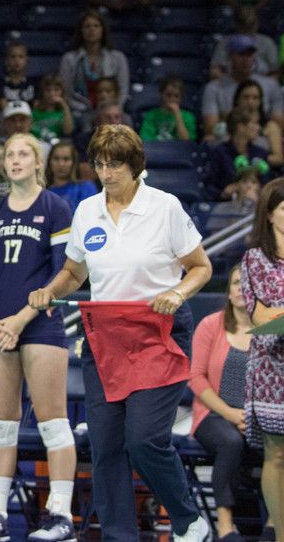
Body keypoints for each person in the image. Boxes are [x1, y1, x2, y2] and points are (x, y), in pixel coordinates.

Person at [28, 124, 213, 542]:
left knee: (144, 440)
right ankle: (119, 537)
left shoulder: (164, 207)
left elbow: (201, 267)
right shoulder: (87, 211)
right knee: (107, 448)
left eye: (115, 165)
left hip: (158, 335)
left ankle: (188, 520)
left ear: (136, 166)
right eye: (99, 164)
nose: (106, 173)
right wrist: (49, 291)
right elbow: (75, 271)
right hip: (105, 340)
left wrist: (177, 292)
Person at [0, 133, 76, 542]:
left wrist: (22, 318)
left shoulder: (56, 207)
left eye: (23, 154)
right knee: (1, 426)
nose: (14, 160)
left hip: (40, 324)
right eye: (9, 154)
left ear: (38, 161)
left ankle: (61, 516)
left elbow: (63, 272)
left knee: (53, 425)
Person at [189, 264, 260, 542]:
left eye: (248, 283)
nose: (240, 288)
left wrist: (254, 417)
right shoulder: (211, 324)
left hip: (259, 417)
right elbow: (195, 377)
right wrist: (231, 414)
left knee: (276, 444)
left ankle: (272, 527)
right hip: (214, 414)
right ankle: (225, 528)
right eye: (235, 283)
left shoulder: (273, 328)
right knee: (230, 442)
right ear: (228, 292)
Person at [240, 177, 284, 540]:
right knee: (278, 457)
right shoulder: (254, 259)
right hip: (271, 371)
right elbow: (259, 316)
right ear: (270, 215)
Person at [203, 34, 284, 140]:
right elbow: (210, 128)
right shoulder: (213, 88)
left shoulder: (271, 85)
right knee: (209, 138)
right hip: (228, 139)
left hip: (260, 137)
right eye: (241, 54)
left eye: (249, 54)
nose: (245, 59)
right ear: (230, 56)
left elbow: (279, 124)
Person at [58, 10, 129, 116]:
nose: (92, 29)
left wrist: (111, 110)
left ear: (103, 30)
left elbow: (123, 91)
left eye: (96, 26)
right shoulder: (69, 59)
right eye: (87, 26)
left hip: (110, 110)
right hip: (79, 111)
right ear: (81, 31)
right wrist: (81, 109)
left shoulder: (118, 58)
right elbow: (66, 91)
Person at [205, 107, 272, 200]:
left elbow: (268, 182)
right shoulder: (219, 152)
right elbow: (209, 186)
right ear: (240, 127)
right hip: (227, 206)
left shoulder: (260, 152)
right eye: (254, 123)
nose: (258, 127)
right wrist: (223, 193)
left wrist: (258, 190)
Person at [211, 6, 280, 80]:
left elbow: (276, 73)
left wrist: (263, 85)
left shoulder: (267, 42)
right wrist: (232, 83)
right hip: (231, 85)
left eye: (250, 25)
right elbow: (214, 71)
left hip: (261, 85)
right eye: (244, 25)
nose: (247, 29)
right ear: (237, 24)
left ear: (256, 22)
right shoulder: (226, 42)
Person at [234, 80, 284, 167]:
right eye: (246, 97)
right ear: (237, 99)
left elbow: (278, 158)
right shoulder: (230, 123)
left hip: (262, 171)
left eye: (255, 98)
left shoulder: (270, 126)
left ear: (260, 101)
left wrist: (255, 160)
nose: (250, 102)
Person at [45, 139, 97, 214]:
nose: (61, 164)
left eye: (66, 159)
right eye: (56, 158)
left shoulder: (86, 187)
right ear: (50, 161)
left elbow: (91, 216)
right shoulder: (44, 194)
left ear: (74, 162)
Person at [139, 75, 197, 141]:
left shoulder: (188, 117)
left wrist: (178, 115)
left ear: (181, 97)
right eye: (168, 95)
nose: (172, 99)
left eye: (176, 96)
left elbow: (186, 141)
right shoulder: (152, 115)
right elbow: (146, 140)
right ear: (161, 95)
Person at [0, 42, 37, 110]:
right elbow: (3, 106)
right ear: (6, 61)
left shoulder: (33, 83)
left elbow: (35, 108)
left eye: (21, 57)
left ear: (26, 60)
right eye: (13, 57)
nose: (17, 60)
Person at [31, 75, 74, 143]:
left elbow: (68, 132)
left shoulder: (64, 113)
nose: (52, 93)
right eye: (48, 90)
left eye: (56, 90)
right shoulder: (34, 112)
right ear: (42, 92)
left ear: (62, 92)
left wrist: (64, 105)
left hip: (58, 145)